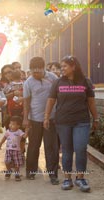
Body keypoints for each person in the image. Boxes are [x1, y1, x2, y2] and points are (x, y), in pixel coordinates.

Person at [44, 56, 99, 192]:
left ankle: (80, 178)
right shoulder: (57, 83)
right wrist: (46, 117)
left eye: (65, 66)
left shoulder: (85, 82)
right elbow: (50, 101)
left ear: (74, 67)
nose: (62, 69)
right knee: (67, 150)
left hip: (82, 121)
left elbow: (91, 102)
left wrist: (96, 118)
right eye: (61, 66)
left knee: (81, 148)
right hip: (63, 122)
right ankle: (67, 179)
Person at [23, 57, 60, 185]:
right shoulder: (28, 82)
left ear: (44, 68)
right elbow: (26, 101)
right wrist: (25, 118)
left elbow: (59, 96)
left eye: (38, 72)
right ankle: (31, 171)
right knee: (33, 146)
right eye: (33, 72)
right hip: (35, 119)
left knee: (51, 147)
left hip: (51, 119)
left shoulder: (53, 78)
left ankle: (53, 174)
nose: (35, 74)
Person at [0, 116, 28, 181]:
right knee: (7, 161)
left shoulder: (19, 131)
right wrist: (1, 143)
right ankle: (9, 170)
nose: (11, 125)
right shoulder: (8, 131)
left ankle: (17, 174)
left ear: (18, 126)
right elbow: (4, 138)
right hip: (8, 150)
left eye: (13, 124)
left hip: (16, 151)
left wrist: (26, 130)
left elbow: (25, 136)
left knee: (16, 163)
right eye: (10, 123)